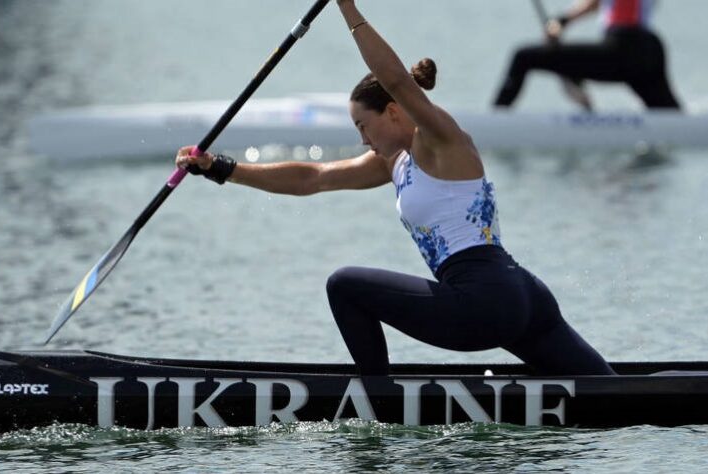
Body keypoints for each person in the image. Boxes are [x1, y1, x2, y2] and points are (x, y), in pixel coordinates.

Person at [176, 0, 616, 377]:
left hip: (483, 301)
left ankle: (378, 402)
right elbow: (313, 178)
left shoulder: (441, 140)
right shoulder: (395, 163)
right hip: (522, 297)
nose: (362, 139)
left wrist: (347, 8)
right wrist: (220, 168)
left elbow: (398, 80)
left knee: (344, 285)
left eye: (363, 126)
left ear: (392, 112)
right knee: (615, 395)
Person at [493, 0, 680, 110]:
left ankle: (495, 121)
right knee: (672, 118)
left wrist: (562, 21)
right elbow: (596, 4)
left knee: (523, 57)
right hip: (650, 50)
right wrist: (562, 21)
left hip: (624, 47)